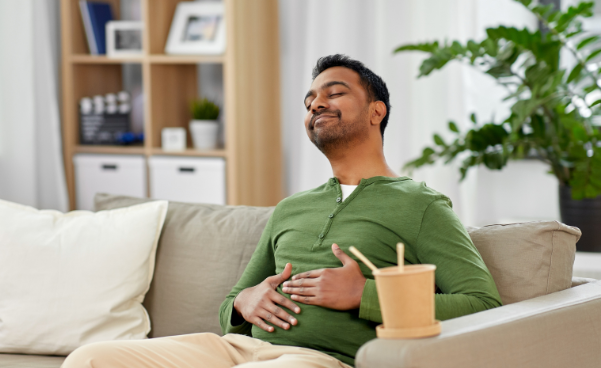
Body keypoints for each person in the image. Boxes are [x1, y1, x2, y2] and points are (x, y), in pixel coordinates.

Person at [62, 54, 502, 368]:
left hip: (318, 360)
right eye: (310, 99)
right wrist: (244, 305)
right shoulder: (291, 208)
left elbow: (484, 305)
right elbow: (232, 304)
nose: (315, 104)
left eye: (335, 92)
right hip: (233, 351)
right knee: (91, 358)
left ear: (376, 112)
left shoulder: (420, 204)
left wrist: (363, 295)